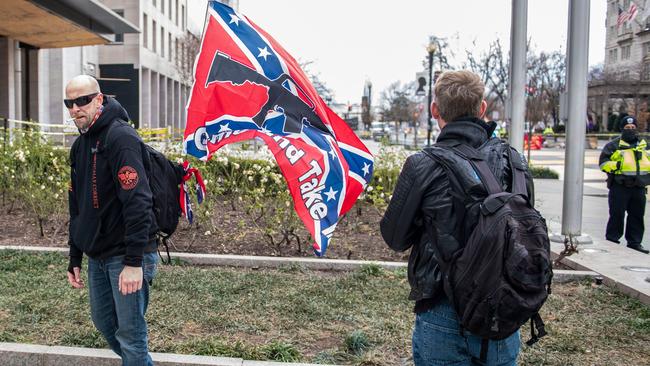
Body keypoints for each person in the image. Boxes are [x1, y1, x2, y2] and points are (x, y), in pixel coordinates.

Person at [380, 70, 534, 365]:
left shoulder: (422, 164)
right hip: (503, 308)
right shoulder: (514, 160)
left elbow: (395, 237)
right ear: (482, 108)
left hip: (443, 306)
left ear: (434, 109)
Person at [65, 75, 159, 365]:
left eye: (82, 100)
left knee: (130, 335)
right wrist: (74, 256)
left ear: (99, 99)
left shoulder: (121, 138)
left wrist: (133, 263)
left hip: (127, 256)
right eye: (69, 103)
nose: (75, 109)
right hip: (98, 256)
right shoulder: (80, 147)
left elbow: (139, 202)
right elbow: (77, 205)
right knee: (106, 324)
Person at [599, 115, 650, 254]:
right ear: (622, 129)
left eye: (633, 128)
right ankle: (612, 241)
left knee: (637, 216)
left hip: (638, 187)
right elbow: (603, 163)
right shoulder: (614, 145)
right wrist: (617, 165)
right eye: (627, 128)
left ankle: (635, 243)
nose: (631, 130)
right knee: (617, 215)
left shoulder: (644, 145)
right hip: (619, 186)